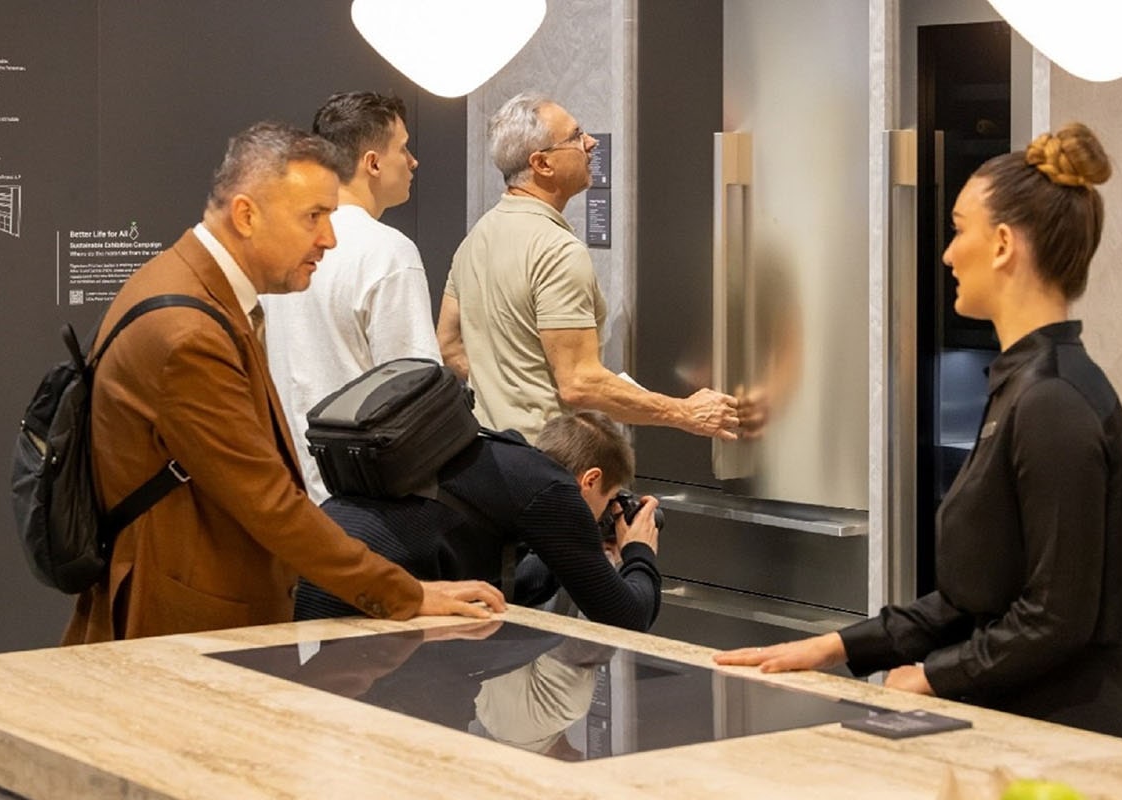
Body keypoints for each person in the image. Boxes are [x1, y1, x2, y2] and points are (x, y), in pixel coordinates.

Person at [717, 123, 1122, 745]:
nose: (950, 253)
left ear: (1004, 244)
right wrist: (831, 646)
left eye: (959, 229)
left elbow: (1056, 618)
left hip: (1077, 739)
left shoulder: (1052, 400)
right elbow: (974, 598)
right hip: (1031, 726)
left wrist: (932, 677)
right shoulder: (1025, 384)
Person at [63, 121, 503, 645]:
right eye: (313, 217)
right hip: (184, 627)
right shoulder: (188, 334)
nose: (329, 238)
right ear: (246, 215)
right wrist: (408, 594)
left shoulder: (186, 285)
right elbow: (269, 503)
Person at [438, 92, 739, 444]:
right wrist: (685, 413)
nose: (592, 143)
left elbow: (448, 343)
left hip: (491, 455)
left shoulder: (475, 239)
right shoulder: (557, 250)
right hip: (546, 462)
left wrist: (506, 387)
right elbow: (579, 383)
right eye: (576, 136)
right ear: (542, 164)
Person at [295, 410, 662, 632]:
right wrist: (639, 551)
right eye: (610, 500)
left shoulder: (503, 461)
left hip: (331, 567)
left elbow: (506, 587)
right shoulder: (554, 490)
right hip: (375, 586)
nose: (608, 512)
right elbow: (627, 617)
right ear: (591, 479)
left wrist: (582, 554)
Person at [263, 92, 441, 504]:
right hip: (365, 499)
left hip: (288, 491)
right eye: (403, 148)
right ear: (373, 163)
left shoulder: (281, 244)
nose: (412, 161)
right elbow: (414, 392)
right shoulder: (388, 251)